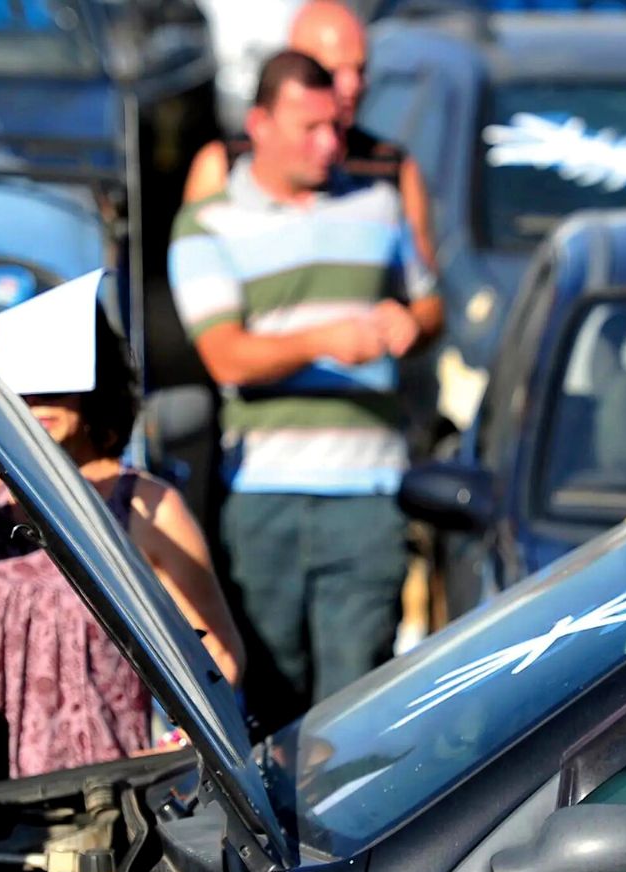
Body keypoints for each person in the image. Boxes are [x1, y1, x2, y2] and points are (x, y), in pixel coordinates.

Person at [168, 51, 438, 735]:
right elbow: (225, 354)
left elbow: (432, 303)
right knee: (272, 703)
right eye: (309, 126)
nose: (329, 143)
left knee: (362, 708)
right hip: (265, 495)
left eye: (335, 128)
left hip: (368, 492)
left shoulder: (377, 203)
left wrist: (413, 320)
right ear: (259, 123)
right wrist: (326, 339)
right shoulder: (210, 223)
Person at [0, 293, 243, 778]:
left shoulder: (144, 502)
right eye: (21, 384)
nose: (38, 399)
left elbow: (220, 655)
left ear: (95, 386)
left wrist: (170, 752)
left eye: (57, 382)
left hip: (104, 792)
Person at [183, 0, 445, 344]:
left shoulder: (391, 170)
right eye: (333, 71)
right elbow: (199, 299)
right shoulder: (223, 165)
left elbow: (427, 301)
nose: (351, 86)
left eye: (361, 70)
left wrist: (411, 324)